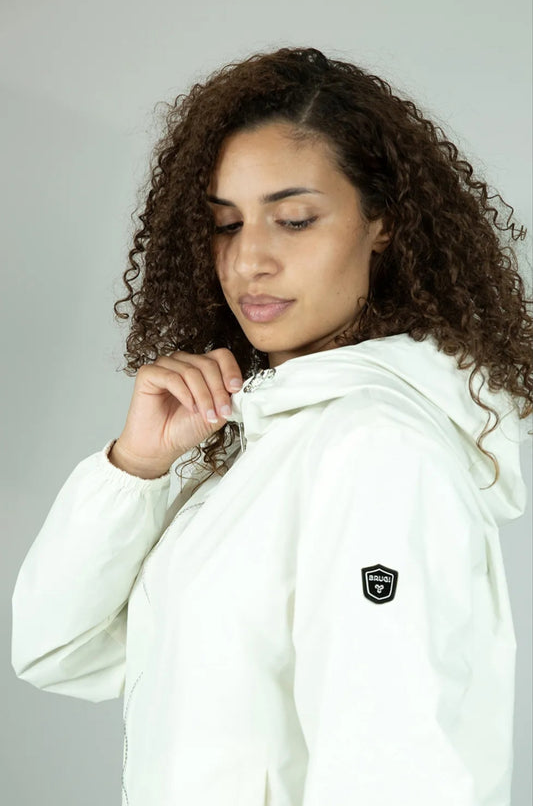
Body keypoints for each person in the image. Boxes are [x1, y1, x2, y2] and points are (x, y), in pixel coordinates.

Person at [11, 46, 532, 806]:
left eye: (293, 220)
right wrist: (135, 470)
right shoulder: (266, 442)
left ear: (382, 223)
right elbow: (57, 651)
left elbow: (399, 772)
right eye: (225, 224)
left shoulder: (375, 450)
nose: (248, 259)